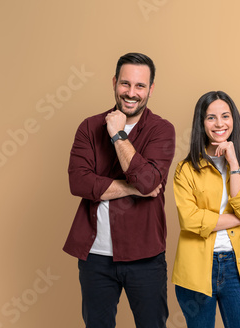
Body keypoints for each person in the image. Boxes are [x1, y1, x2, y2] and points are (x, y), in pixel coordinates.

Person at [63, 52, 175, 328]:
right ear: (114, 82)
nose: (131, 93)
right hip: (95, 258)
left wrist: (117, 134)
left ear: (150, 89)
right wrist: (133, 188)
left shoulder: (162, 130)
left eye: (139, 86)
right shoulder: (89, 127)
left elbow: (148, 182)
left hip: (146, 257)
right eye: (125, 84)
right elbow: (79, 183)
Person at [172, 91, 240, 328]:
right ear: (201, 123)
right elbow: (190, 221)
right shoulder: (185, 170)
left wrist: (234, 164)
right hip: (196, 268)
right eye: (211, 117)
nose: (219, 123)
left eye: (225, 116)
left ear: (234, 120)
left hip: (237, 267)